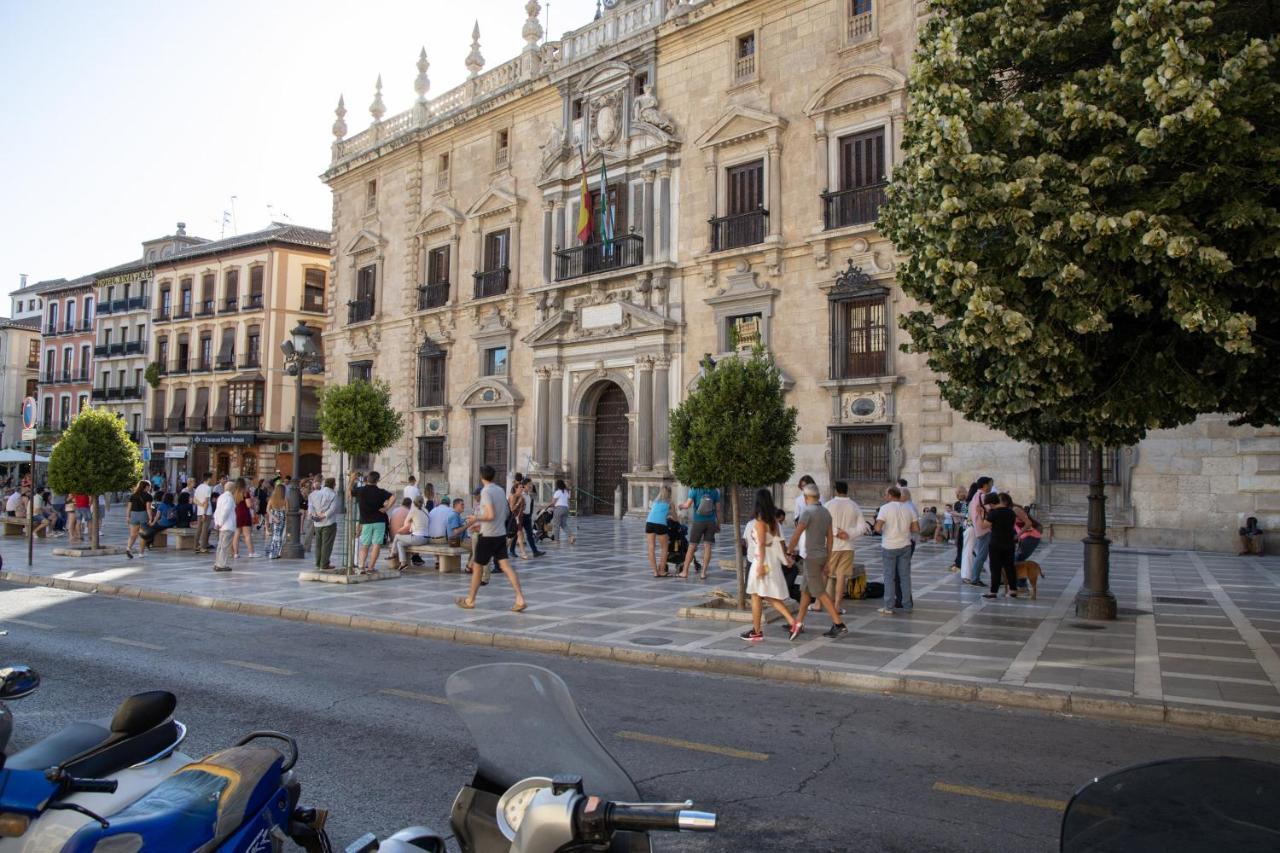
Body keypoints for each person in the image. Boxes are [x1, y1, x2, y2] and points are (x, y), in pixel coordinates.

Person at [458, 465, 530, 612]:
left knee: (477, 568)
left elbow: (490, 515)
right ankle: (520, 598)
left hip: (488, 535)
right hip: (500, 534)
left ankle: (470, 600)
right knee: (506, 566)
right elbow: (505, 512)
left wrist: (475, 518)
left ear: (482, 477)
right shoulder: (500, 490)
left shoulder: (486, 491)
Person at [740, 488, 802, 643]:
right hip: (771, 560)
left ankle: (760, 631)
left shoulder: (760, 523)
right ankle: (786, 624)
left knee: (758, 595)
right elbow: (779, 541)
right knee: (763, 595)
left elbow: (760, 545)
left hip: (761, 560)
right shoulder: (774, 522)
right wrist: (786, 558)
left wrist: (759, 565)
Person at [787, 483, 848, 638]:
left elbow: (797, 533)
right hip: (821, 555)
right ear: (818, 497)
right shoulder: (826, 512)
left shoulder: (807, 512)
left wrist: (789, 551)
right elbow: (830, 540)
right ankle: (798, 623)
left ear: (806, 498)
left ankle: (838, 623)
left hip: (811, 557)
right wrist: (828, 560)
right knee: (806, 590)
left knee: (819, 591)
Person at [875, 485, 918, 615]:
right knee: (905, 576)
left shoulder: (884, 508)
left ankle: (889, 606)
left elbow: (877, 528)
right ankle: (907, 605)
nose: (884, 497)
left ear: (890, 495)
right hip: (905, 545)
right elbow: (916, 529)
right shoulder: (909, 508)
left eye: (885, 494)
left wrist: (885, 528)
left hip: (889, 545)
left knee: (889, 577)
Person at [825, 481, 865, 615]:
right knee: (841, 576)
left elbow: (824, 524)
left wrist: (836, 532)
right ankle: (837, 605)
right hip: (848, 545)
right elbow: (862, 527)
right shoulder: (854, 506)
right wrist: (848, 534)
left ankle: (827, 603)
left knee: (830, 575)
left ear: (836, 490)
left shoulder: (828, 505)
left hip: (832, 545)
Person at [353, 470, 395, 573]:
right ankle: (371, 567)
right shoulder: (380, 491)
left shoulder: (360, 490)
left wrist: (351, 480)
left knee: (365, 545)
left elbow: (349, 493)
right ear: (377, 480)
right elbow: (393, 497)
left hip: (366, 521)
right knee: (377, 544)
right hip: (379, 521)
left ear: (367, 479)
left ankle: (362, 566)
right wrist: (386, 508)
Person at [679, 483, 720, 580]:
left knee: (692, 546)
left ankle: (685, 572)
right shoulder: (714, 490)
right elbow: (718, 509)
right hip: (711, 521)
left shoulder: (694, 489)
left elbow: (687, 505)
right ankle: (703, 573)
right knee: (708, 546)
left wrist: (680, 506)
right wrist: (718, 524)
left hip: (698, 521)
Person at [984, 492, 1019, 599]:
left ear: (991, 503)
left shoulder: (993, 513)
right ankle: (1013, 590)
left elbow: (984, 525)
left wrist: (982, 514)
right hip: (1009, 543)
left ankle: (993, 592)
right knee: (1010, 567)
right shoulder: (1011, 512)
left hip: (996, 544)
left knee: (995, 568)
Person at [962, 477, 993, 586]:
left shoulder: (973, 498)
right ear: (984, 485)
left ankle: (994, 576)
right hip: (982, 527)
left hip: (974, 527)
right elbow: (990, 509)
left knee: (978, 553)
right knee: (980, 554)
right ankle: (974, 577)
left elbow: (968, 515)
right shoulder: (982, 496)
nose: (991, 487)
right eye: (990, 484)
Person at [389, 497, 431, 571]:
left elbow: (406, 525)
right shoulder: (426, 510)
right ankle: (403, 564)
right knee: (399, 543)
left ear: (413, 503)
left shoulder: (413, 511)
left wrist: (399, 530)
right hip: (426, 538)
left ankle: (392, 554)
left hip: (417, 538)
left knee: (397, 536)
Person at [309, 477, 339, 571]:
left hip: (317, 523)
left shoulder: (313, 494)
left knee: (318, 544)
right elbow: (333, 509)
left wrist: (314, 515)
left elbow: (311, 507)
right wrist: (324, 515)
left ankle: (318, 563)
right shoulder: (333, 494)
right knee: (327, 544)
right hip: (329, 522)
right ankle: (324, 564)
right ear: (333, 485)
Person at [646, 486, 673, 578]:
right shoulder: (670, 503)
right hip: (661, 525)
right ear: (670, 493)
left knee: (651, 547)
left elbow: (656, 513)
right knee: (664, 547)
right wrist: (670, 516)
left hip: (649, 523)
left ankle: (655, 571)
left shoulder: (654, 502)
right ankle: (661, 571)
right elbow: (676, 518)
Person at [211, 479, 237, 572]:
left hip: (221, 526)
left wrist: (217, 523)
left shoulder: (221, 497)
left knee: (220, 545)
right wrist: (221, 522)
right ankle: (221, 564)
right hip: (227, 525)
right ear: (232, 489)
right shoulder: (229, 498)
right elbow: (225, 511)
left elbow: (217, 511)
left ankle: (217, 563)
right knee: (225, 546)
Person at [124, 480, 152, 559]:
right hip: (143, 514)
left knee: (133, 534)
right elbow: (148, 508)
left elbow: (129, 507)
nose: (149, 488)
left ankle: (128, 548)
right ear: (146, 487)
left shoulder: (133, 495)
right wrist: (150, 518)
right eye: (149, 486)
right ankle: (141, 553)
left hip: (134, 515)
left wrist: (127, 516)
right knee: (143, 535)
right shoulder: (148, 496)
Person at [520, 480, 544, 558]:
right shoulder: (521, 495)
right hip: (521, 517)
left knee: (530, 535)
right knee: (514, 536)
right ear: (524, 485)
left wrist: (530, 515)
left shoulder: (528, 496)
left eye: (531, 484)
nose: (531, 486)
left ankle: (535, 551)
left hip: (527, 517)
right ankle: (508, 550)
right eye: (529, 484)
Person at [546, 479, 574, 545]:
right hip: (566, 509)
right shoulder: (566, 492)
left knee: (556, 525)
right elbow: (568, 501)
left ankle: (556, 540)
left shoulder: (557, 492)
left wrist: (547, 507)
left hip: (559, 509)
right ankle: (571, 536)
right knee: (564, 524)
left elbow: (553, 503)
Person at [233, 480, 256, 559]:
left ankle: (235, 553)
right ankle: (251, 552)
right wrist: (253, 504)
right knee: (247, 535)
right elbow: (248, 505)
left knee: (236, 534)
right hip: (245, 514)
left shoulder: (234, 493)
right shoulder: (245, 493)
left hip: (237, 514)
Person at [264, 484, 288, 559]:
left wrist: (273, 516)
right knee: (280, 535)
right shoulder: (285, 499)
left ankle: (273, 552)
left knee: (275, 535)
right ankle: (277, 552)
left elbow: (267, 509)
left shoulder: (272, 499)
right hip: (282, 518)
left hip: (275, 518)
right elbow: (287, 511)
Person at [193, 472, 214, 554]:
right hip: (206, 512)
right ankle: (203, 547)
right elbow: (206, 502)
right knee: (205, 530)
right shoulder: (208, 488)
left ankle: (195, 546)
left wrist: (200, 505)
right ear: (208, 479)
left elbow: (194, 500)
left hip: (199, 511)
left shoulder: (198, 487)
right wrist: (204, 513)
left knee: (199, 529)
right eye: (211, 478)